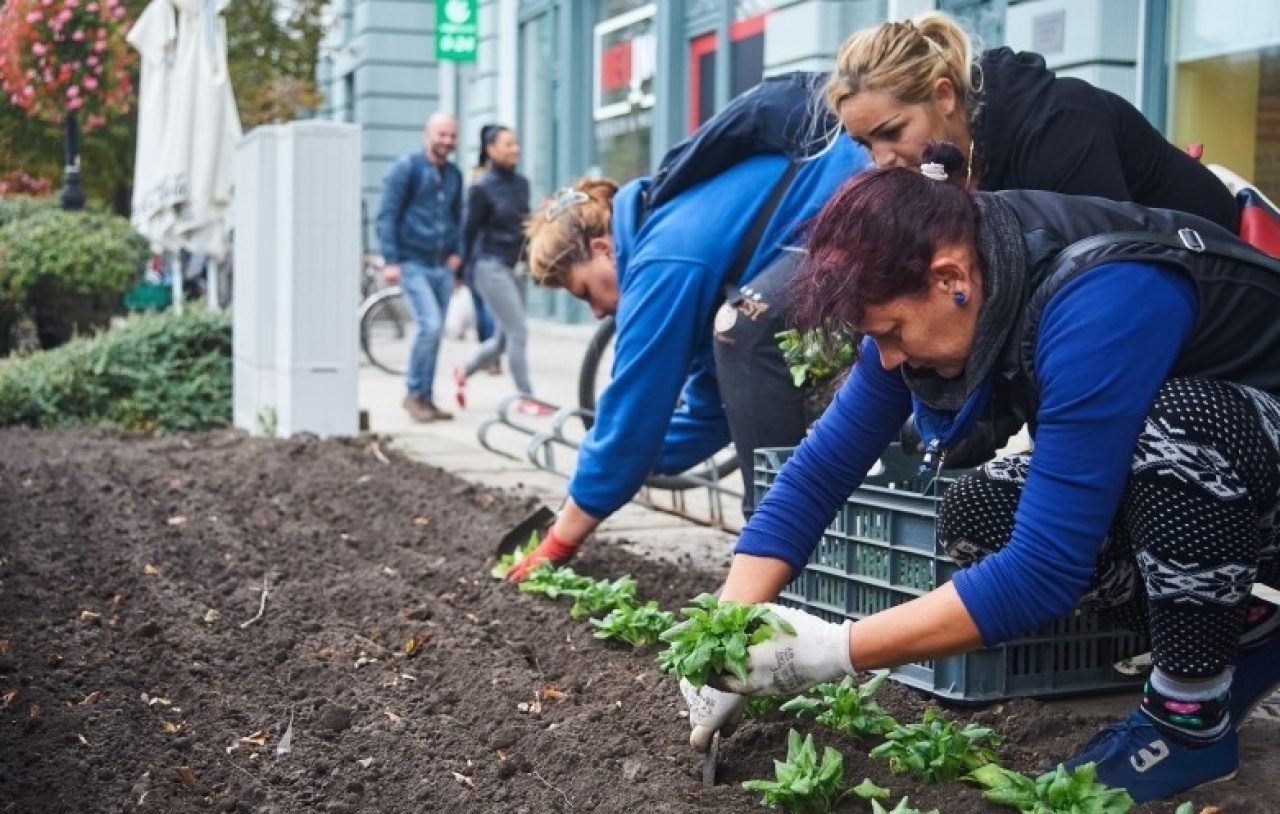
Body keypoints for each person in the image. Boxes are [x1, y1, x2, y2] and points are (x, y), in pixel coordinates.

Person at [681, 141, 1280, 804]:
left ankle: (1190, 721)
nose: (884, 358)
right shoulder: (955, 279)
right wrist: (728, 626)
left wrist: (831, 652)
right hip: (1236, 483)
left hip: (1240, 449)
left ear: (947, 278)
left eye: (891, 330)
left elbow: (1043, 574)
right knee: (981, 510)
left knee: (1174, 429)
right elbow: (819, 470)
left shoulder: (1101, 295)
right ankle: (1246, 628)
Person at [505, 107, 873, 582]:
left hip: (852, 204)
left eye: (584, 291)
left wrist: (562, 539)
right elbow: (714, 408)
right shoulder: (663, 238)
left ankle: (780, 554)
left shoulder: (662, 259)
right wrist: (625, 459)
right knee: (745, 347)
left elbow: (633, 409)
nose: (597, 311)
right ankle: (788, 548)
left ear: (602, 249)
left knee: (748, 335)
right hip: (830, 218)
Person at [825, 11, 1240, 233]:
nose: (881, 159)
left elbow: (1108, 272)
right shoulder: (946, 154)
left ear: (944, 95)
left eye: (892, 132)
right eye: (864, 144)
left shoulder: (1058, 127)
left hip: (1222, 284)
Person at [376, 111, 465, 423]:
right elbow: (387, 214)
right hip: (412, 262)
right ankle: (414, 393)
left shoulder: (454, 175)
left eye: (452, 136)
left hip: (442, 265)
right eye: (442, 135)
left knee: (435, 331)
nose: (447, 141)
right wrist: (391, 260)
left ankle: (425, 398)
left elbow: (457, 218)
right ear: (427, 135)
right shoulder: (407, 169)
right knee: (429, 325)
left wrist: (458, 254)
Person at [452, 125, 547, 415]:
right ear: (491, 149)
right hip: (489, 266)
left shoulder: (522, 184)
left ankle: (463, 372)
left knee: (503, 340)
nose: (515, 149)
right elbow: (468, 231)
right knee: (518, 332)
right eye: (508, 144)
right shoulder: (480, 188)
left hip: (516, 266)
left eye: (516, 143)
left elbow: (524, 227)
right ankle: (526, 398)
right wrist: (461, 272)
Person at [464, 150, 498, 360]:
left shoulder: (474, 186)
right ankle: (490, 353)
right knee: (487, 307)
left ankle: (487, 350)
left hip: (477, 257)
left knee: (483, 307)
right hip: (483, 255)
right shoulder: (486, 187)